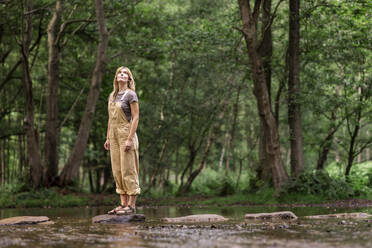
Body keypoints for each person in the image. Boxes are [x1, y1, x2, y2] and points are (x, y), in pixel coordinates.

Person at [104, 66, 140, 215]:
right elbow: (110, 119)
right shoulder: (112, 96)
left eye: (126, 73)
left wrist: (130, 139)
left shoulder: (131, 95)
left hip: (126, 133)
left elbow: (136, 117)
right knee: (117, 170)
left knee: (128, 169)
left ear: (129, 79)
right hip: (113, 135)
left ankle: (131, 206)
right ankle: (122, 204)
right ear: (116, 77)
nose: (122, 74)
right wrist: (107, 137)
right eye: (120, 72)